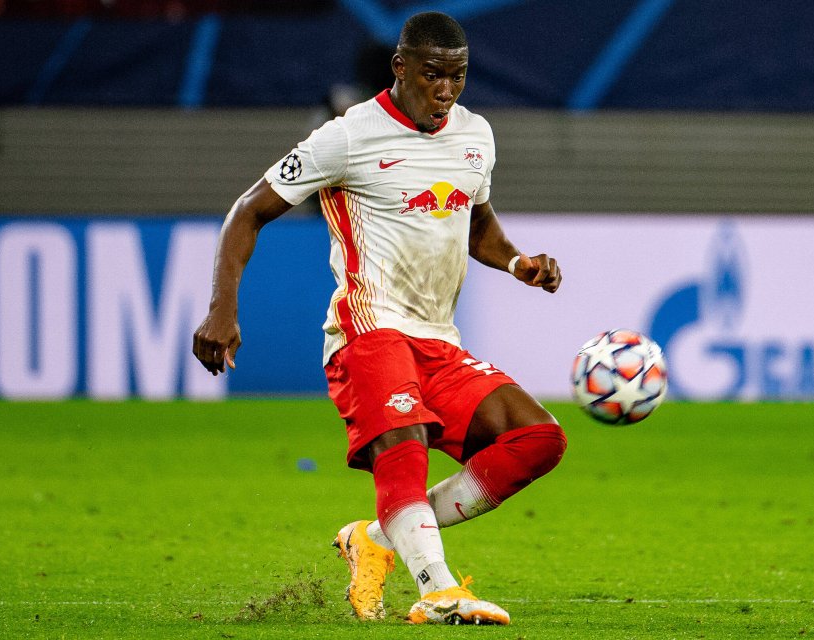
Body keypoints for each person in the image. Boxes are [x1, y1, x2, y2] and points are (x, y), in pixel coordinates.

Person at [192, 11, 566, 626]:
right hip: (367, 330)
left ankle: (379, 539)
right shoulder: (347, 136)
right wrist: (221, 310)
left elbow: (475, 223)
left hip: (437, 341)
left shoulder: (475, 136)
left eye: (458, 77)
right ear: (399, 68)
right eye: (432, 76)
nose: (445, 91)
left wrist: (519, 262)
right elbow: (247, 210)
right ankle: (438, 589)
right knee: (405, 440)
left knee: (538, 439)